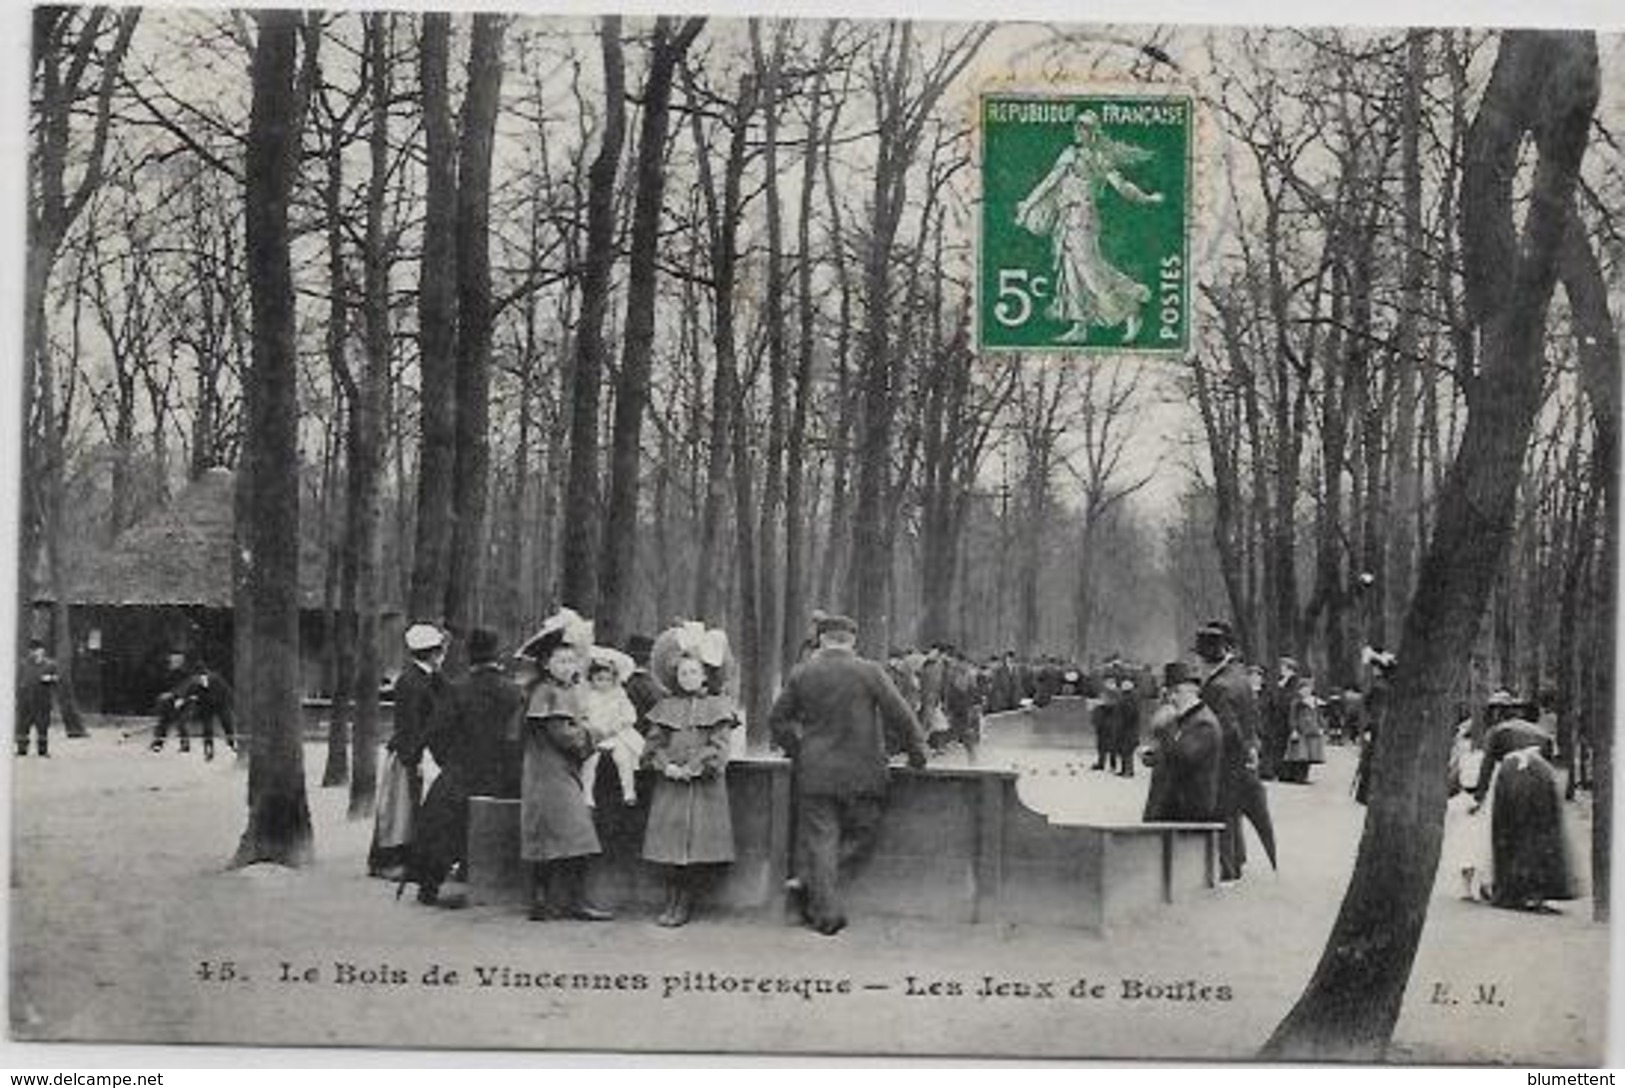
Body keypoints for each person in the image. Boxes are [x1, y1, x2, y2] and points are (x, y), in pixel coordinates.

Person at [768, 613, 928, 936]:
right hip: (864, 772)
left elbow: (777, 720)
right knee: (864, 835)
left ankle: (815, 895)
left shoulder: (803, 673)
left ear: (823, 640)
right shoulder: (869, 671)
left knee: (821, 841)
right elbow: (902, 715)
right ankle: (815, 893)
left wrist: (799, 750)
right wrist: (918, 754)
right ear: (852, 640)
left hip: (815, 773)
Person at [407, 628, 525, 907]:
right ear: (499, 657)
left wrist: (449, 761)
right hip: (504, 774)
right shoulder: (514, 692)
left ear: (470, 657)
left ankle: (429, 885)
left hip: (462, 771)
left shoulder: (457, 690)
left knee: (439, 820)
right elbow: (521, 735)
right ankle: (492, 879)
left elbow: (436, 732)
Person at [516, 609, 613, 922]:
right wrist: (595, 733)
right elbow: (564, 735)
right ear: (546, 665)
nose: (567, 667)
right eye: (560, 661)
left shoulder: (560, 691)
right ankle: (562, 901)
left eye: (571, 661)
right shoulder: (546, 693)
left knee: (557, 839)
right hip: (549, 776)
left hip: (554, 774)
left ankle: (548, 901)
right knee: (575, 834)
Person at [642, 625, 739, 927]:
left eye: (693, 673)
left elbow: (720, 746)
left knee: (694, 846)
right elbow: (653, 744)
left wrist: (694, 766)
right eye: (683, 673)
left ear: (705, 675)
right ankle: (671, 899)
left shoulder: (718, 707)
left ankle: (685, 902)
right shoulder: (665, 707)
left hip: (703, 788)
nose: (687, 678)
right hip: (671, 785)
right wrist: (665, 765)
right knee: (671, 846)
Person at [1465, 692, 1580, 911]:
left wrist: (1479, 796)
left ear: (1499, 713)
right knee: (1539, 834)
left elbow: (1487, 765)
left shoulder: (1498, 732)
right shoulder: (1542, 734)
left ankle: (1510, 891)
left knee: (1508, 832)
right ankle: (1538, 891)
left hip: (1512, 778)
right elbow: (1551, 763)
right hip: (1542, 779)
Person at [368, 623, 448, 881]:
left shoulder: (424, 679)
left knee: (406, 810)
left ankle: (406, 860)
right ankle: (389, 862)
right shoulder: (413, 682)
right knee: (399, 811)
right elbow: (411, 723)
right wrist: (414, 754)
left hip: (413, 750)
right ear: (434, 653)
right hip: (408, 752)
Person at [1195, 621, 1274, 881]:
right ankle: (1237, 860)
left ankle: (1226, 869)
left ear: (1208, 660)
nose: (1197, 665)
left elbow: (1226, 730)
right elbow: (1252, 720)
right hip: (1242, 760)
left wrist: (1198, 745)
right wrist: (1251, 750)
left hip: (1226, 760)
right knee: (1234, 810)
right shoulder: (1239, 676)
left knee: (1222, 812)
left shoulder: (1218, 687)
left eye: (1199, 659)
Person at [1142, 662, 1223, 822]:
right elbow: (1172, 751)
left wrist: (1165, 728)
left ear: (1187, 691)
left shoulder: (1203, 723)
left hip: (1188, 811)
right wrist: (1152, 755)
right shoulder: (1184, 720)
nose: (1171, 699)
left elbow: (1182, 758)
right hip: (1172, 809)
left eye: (1173, 693)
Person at [578, 647, 644, 808]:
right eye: (599, 679)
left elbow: (630, 715)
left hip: (615, 734)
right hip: (595, 735)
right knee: (590, 760)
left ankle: (628, 791)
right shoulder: (587, 696)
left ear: (614, 680)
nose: (604, 683)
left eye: (608, 679)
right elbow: (581, 715)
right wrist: (590, 727)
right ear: (591, 679)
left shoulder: (619, 695)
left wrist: (619, 724)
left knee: (623, 757)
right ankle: (587, 794)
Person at [1276, 670, 1325, 785]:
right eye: (1303, 689)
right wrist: (1293, 729)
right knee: (1300, 756)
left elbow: (1318, 715)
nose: (1306, 691)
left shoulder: (1315, 701)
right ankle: (1298, 777)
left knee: (1309, 756)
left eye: (1308, 689)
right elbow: (1292, 717)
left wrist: (1321, 727)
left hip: (1312, 732)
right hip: (1301, 731)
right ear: (1299, 690)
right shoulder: (1296, 702)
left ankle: (1304, 776)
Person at [16, 638, 60, 758]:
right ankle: (22, 749)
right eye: (33, 650)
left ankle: (42, 750)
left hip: (42, 700)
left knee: (43, 726)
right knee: (23, 726)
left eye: (38, 650)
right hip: (26, 700)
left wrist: (49, 679)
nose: (35, 653)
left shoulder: (50, 665)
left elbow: (57, 679)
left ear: (43, 651)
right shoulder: (24, 664)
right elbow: (19, 680)